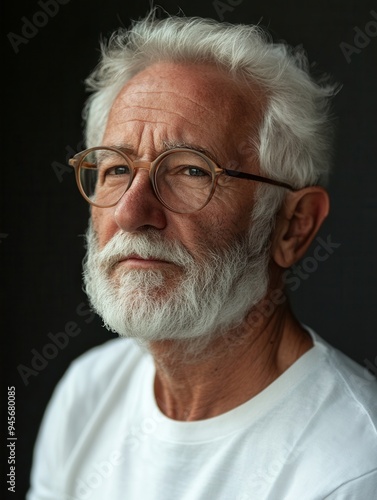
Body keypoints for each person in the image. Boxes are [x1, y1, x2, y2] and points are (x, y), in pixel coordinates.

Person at [27, 12, 377, 500]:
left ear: (293, 227)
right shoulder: (87, 392)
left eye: (190, 171)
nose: (132, 212)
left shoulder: (353, 467)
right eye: (115, 169)